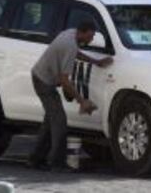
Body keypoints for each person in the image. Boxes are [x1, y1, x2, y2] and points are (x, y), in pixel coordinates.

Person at [28, 21, 113, 171]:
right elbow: (64, 80)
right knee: (59, 122)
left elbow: (75, 54)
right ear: (83, 32)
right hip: (43, 82)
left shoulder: (71, 34)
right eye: (91, 36)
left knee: (50, 122)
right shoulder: (70, 45)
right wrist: (82, 102)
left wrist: (96, 62)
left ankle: (35, 159)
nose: (92, 40)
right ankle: (57, 163)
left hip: (41, 77)